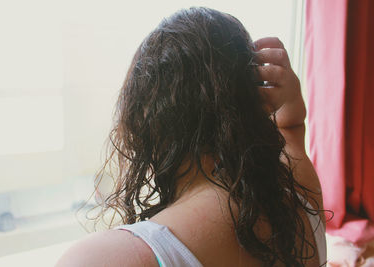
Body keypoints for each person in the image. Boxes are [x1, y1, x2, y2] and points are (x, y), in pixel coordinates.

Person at [56, 7, 326, 267]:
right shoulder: (302, 203)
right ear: (251, 103)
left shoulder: (106, 258)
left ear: (146, 121)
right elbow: (291, 129)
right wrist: (290, 98)